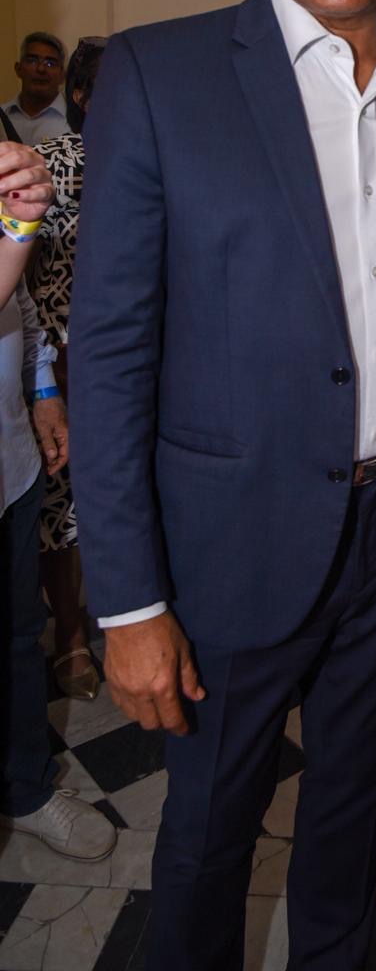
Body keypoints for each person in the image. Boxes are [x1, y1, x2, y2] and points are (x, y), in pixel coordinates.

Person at [69, 0, 376, 971]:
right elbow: (110, 350)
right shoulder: (161, 74)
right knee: (209, 833)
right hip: (227, 542)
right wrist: (129, 602)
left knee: (349, 814)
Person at [0, 141, 116, 862]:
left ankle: (27, 786)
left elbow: (19, 300)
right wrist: (20, 228)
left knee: (19, 637)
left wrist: (42, 390)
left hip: (8, 464)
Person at [31, 38, 107, 700]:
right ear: (80, 96)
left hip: (143, 356)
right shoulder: (53, 161)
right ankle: (70, 635)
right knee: (67, 502)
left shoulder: (160, 155)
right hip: (66, 357)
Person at [2, 33, 69, 147]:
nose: (41, 69)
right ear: (18, 69)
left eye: (50, 63)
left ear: (62, 75)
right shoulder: (2, 117)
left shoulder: (77, 120)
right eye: (32, 61)